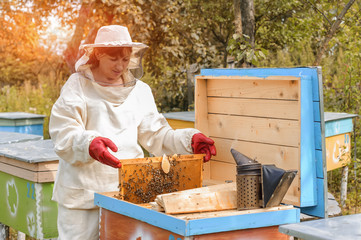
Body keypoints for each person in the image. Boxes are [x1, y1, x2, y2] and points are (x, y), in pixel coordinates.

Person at [49, 25, 216, 240]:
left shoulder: (140, 91)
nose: (120, 66)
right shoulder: (77, 85)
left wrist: (188, 139)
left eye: (126, 59)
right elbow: (63, 131)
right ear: (98, 54)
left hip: (128, 194)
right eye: (113, 59)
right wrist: (89, 144)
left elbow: (157, 134)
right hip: (83, 196)